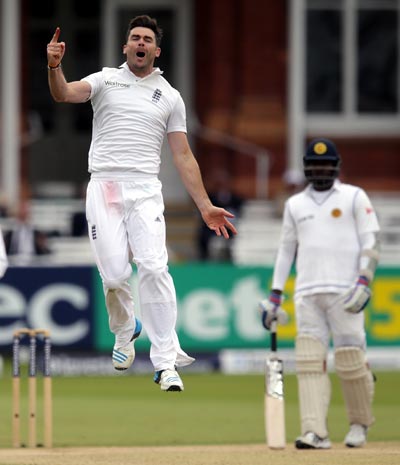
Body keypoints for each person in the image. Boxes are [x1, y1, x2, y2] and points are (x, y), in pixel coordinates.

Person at [46, 15, 237, 392]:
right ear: (125, 47)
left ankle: (166, 363)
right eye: (135, 37)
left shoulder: (169, 96)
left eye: (147, 39)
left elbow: (183, 155)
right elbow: (63, 93)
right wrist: (54, 65)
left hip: (145, 189)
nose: (140, 43)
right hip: (103, 186)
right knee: (115, 275)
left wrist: (204, 205)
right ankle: (124, 329)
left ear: (156, 50)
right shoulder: (105, 79)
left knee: (153, 266)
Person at [259, 138, 380, 448]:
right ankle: (316, 432)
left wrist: (364, 279)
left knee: (350, 360)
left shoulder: (354, 197)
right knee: (309, 362)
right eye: (315, 166)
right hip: (307, 292)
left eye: (326, 165)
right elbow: (286, 251)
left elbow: (371, 241)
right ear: (306, 169)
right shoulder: (295, 204)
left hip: (347, 291)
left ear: (336, 166)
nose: (321, 171)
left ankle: (359, 424)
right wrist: (276, 294)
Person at [197, 170, 244, 261]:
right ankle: (205, 260)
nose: (222, 185)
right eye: (219, 183)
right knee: (203, 235)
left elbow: (240, 213)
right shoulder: (210, 198)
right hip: (213, 228)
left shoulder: (237, 199)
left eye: (224, 182)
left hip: (231, 229)